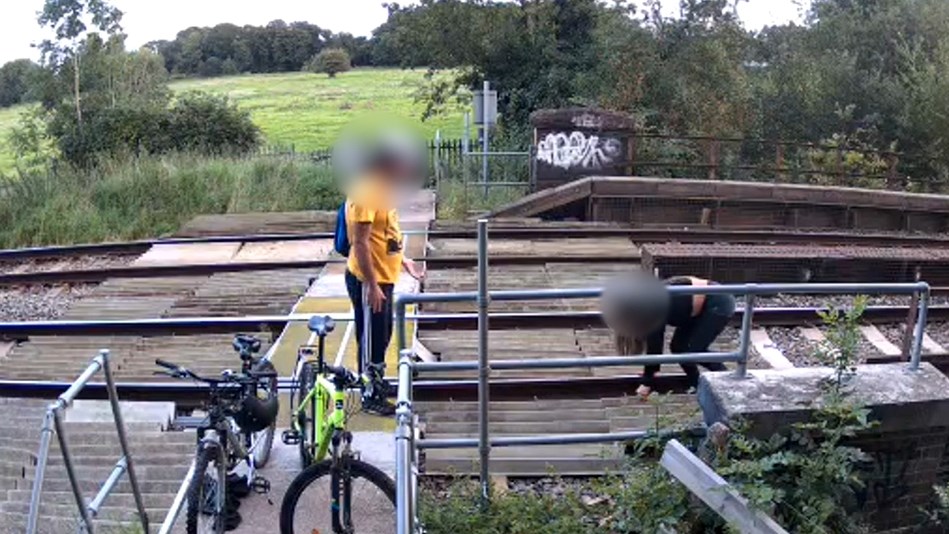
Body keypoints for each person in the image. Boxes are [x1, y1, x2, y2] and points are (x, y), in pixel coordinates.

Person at [345, 147, 424, 416]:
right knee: (371, 338)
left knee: (382, 334)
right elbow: (360, 243)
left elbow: (385, 235)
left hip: (383, 277)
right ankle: (370, 396)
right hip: (370, 280)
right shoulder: (366, 193)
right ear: (386, 166)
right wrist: (372, 284)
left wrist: (403, 261)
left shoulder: (382, 189)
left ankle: (377, 383)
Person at [601, 273, 735, 399]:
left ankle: (729, 382)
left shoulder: (651, 307)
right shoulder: (648, 302)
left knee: (694, 350)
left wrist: (647, 382)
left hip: (717, 302)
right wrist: (649, 373)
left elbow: (655, 346)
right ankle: (697, 384)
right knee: (679, 348)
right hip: (696, 308)